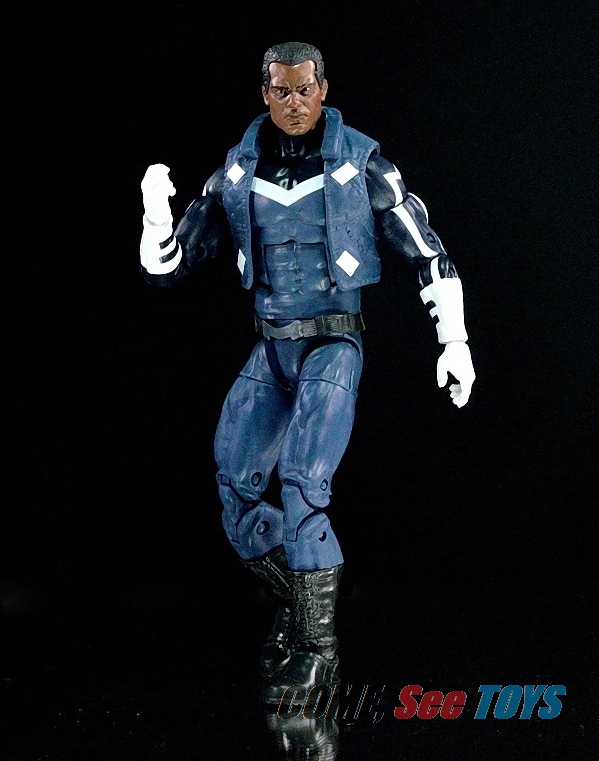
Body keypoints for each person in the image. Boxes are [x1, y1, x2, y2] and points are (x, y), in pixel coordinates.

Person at [139, 41, 475, 704]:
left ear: (322, 89)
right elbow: (170, 267)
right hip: (270, 346)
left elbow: (427, 252)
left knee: (302, 483)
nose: (293, 102)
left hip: (332, 343)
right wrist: (154, 216)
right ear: (264, 93)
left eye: (303, 89)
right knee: (236, 489)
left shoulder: (362, 166)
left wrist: (454, 340)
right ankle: (300, 608)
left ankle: (318, 649)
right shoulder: (236, 174)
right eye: (280, 90)